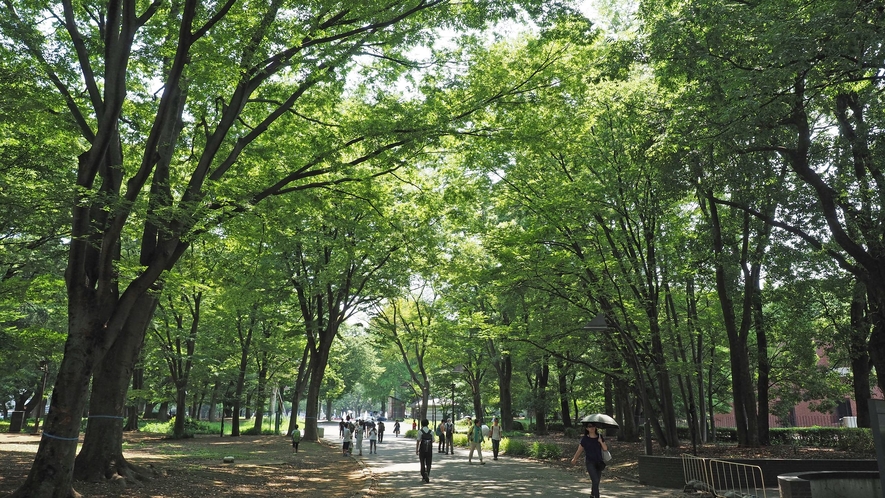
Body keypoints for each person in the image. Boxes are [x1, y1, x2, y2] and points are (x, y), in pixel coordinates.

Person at [570, 422, 609, 498]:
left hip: (599, 462)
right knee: (595, 480)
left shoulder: (599, 437)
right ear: (587, 428)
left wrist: (600, 441)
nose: (592, 427)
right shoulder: (585, 439)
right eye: (590, 426)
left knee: (596, 481)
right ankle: (597, 496)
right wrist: (574, 459)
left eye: (593, 426)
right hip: (590, 462)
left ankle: (592, 494)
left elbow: (605, 448)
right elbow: (579, 450)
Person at [416, 418, 435, 482]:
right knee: (429, 462)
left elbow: (418, 441)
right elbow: (433, 440)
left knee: (422, 462)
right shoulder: (431, 432)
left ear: (421, 424)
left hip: (422, 449)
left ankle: (423, 475)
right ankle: (427, 472)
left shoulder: (420, 431)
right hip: (429, 449)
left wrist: (417, 450)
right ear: (428, 424)